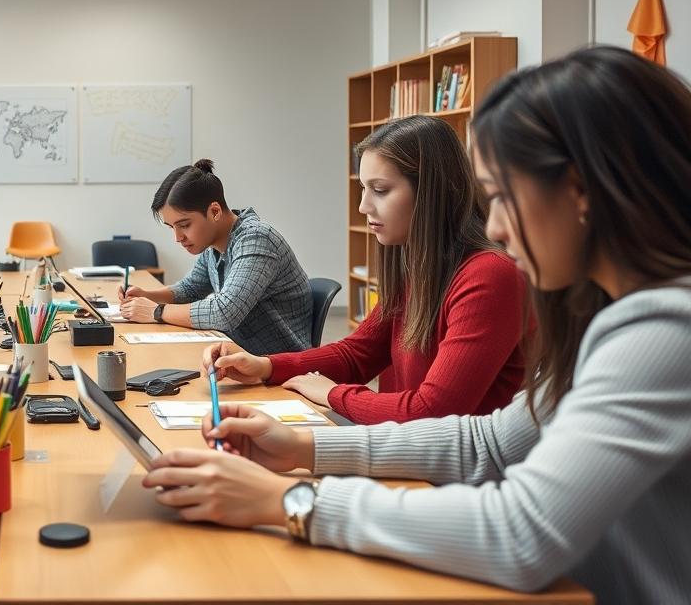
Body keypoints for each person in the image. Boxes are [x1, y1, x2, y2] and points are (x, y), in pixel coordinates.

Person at [143, 47, 691, 603]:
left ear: (579, 190)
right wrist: (300, 448)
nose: (496, 226)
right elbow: (489, 443)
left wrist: (287, 501)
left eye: (503, 196)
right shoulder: (611, 316)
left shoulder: (666, 329)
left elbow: (520, 533)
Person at [205, 115, 527, 423]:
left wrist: (333, 394)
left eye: (381, 190)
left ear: (433, 191)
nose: (363, 207)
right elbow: (358, 354)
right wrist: (264, 366)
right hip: (403, 450)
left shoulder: (489, 275)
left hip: (451, 471)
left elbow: (432, 412)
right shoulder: (420, 264)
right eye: (363, 188)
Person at [119, 159, 311, 354]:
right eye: (172, 227)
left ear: (214, 211)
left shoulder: (257, 238)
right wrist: (147, 296)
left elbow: (224, 312)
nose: (177, 238)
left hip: (280, 368)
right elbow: (190, 289)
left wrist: (156, 311)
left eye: (184, 225)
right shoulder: (215, 244)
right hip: (241, 356)